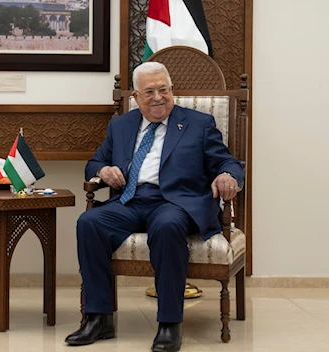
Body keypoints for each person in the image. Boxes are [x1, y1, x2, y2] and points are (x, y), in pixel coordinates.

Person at [64, 62, 243, 352]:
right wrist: (105, 171)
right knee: (90, 223)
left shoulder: (199, 123)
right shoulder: (120, 125)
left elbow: (227, 161)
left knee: (167, 225)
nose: (158, 97)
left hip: (175, 201)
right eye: (150, 91)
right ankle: (98, 318)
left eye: (164, 89)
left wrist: (227, 175)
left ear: (172, 90)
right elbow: (94, 164)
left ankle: (170, 323)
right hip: (130, 200)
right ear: (135, 96)